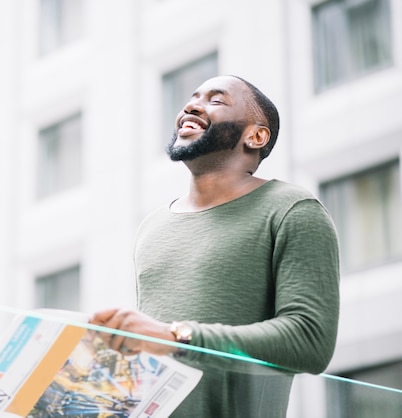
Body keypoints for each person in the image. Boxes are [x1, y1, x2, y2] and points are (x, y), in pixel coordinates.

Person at [90, 75, 340, 417]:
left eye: (216, 101)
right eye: (192, 99)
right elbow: (149, 352)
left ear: (256, 136)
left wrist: (176, 336)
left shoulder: (292, 209)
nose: (191, 106)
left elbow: (310, 340)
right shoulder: (153, 226)